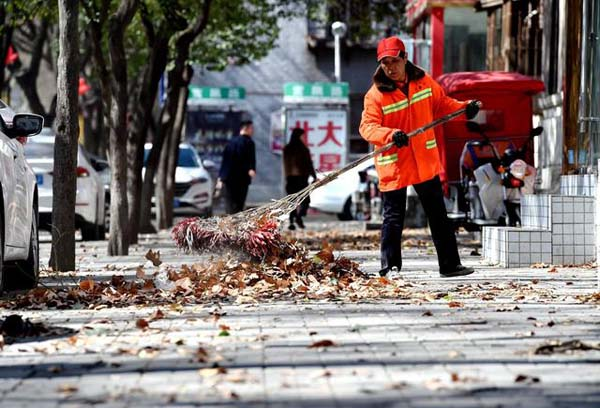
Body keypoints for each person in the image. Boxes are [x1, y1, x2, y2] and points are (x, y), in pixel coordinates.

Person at [359, 36, 480, 278]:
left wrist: (465, 108)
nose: (390, 67)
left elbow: (442, 104)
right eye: (385, 63)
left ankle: (449, 265)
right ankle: (390, 267)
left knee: (438, 215)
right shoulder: (376, 95)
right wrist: (391, 134)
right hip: (395, 163)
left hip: (423, 161)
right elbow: (367, 127)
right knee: (393, 218)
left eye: (394, 61)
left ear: (405, 58)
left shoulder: (423, 82)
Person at [216, 120, 256, 214]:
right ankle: (236, 225)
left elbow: (226, 161)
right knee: (239, 205)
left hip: (230, 178)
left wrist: (222, 177)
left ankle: (230, 224)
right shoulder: (249, 143)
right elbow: (251, 159)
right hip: (242, 179)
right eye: (251, 128)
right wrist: (251, 169)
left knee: (230, 204)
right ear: (245, 128)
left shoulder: (231, 142)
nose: (252, 130)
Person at [283, 127, 316, 230]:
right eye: (303, 136)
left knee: (291, 201)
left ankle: (292, 222)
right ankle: (298, 217)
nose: (304, 138)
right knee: (305, 200)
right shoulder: (303, 149)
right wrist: (314, 176)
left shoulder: (287, 148)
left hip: (290, 178)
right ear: (299, 136)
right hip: (301, 178)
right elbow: (308, 164)